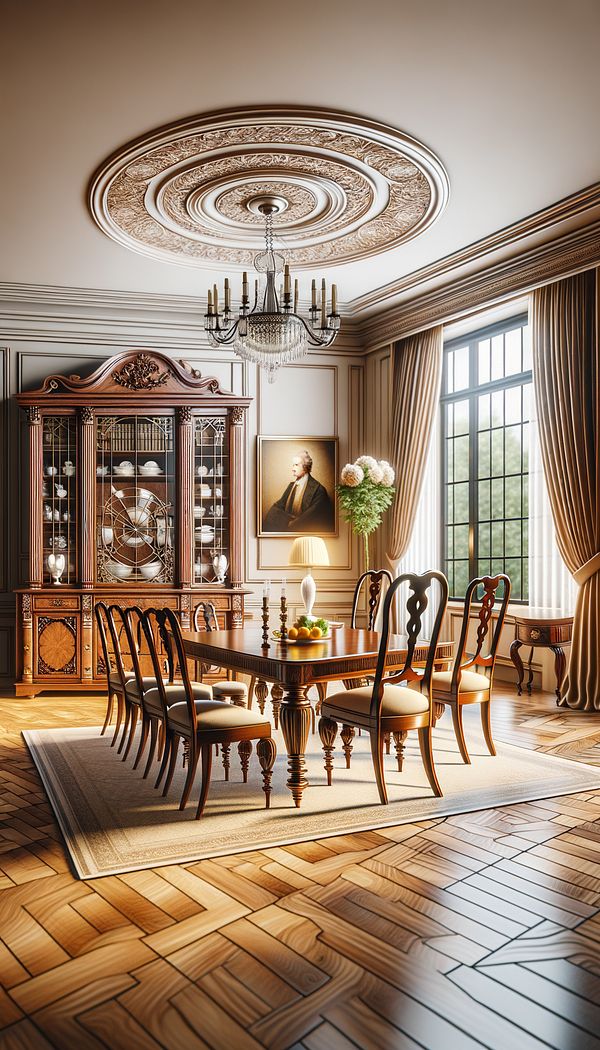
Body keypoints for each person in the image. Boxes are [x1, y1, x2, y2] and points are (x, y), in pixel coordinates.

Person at [263, 449, 333, 533]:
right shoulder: (291, 486)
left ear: (305, 467)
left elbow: (308, 518)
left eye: (296, 465)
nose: (293, 469)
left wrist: (289, 523)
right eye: (293, 465)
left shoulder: (318, 490)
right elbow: (277, 507)